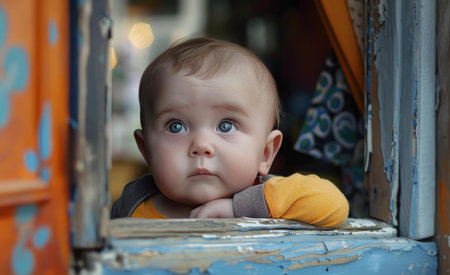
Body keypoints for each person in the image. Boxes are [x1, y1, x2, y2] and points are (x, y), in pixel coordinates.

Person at [111, 37, 349, 227]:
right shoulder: (132, 205)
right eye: (176, 126)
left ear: (266, 153)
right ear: (146, 151)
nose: (201, 145)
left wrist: (238, 208)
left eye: (226, 126)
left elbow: (334, 204)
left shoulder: (267, 198)